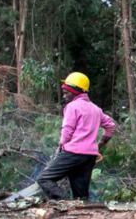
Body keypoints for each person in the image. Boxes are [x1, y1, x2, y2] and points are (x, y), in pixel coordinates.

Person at [37, 72, 117, 200]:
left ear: (75, 91)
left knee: (44, 179)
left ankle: (65, 204)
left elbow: (67, 130)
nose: (64, 96)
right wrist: (99, 144)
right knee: (81, 195)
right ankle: (83, 215)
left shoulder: (72, 107)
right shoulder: (96, 109)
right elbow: (111, 126)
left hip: (73, 153)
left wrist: (61, 146)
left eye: (66, 93)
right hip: (89, 156)